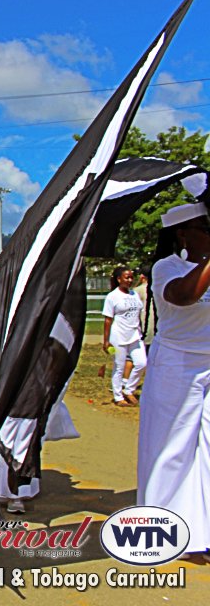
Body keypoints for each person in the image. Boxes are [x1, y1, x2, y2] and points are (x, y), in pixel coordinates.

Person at [137, 202, 210, 561]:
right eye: (205, 227)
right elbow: (184, 296)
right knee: (171, 450)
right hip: (176, 365)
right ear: (183, 233)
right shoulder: (167, 267)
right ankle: (161, 533)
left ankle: (204, 534)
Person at [102, 265, 146, 407]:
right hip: (118, 335)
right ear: (119, 279)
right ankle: (118, 396)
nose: (130, 280)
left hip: (135, 334)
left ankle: (128, 389)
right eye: (126, 277)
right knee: (119, 367)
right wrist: (106, 341)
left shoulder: (134, 294)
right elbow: (108, 320)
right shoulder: (112, 296)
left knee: (141, 363)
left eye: (131, 277)